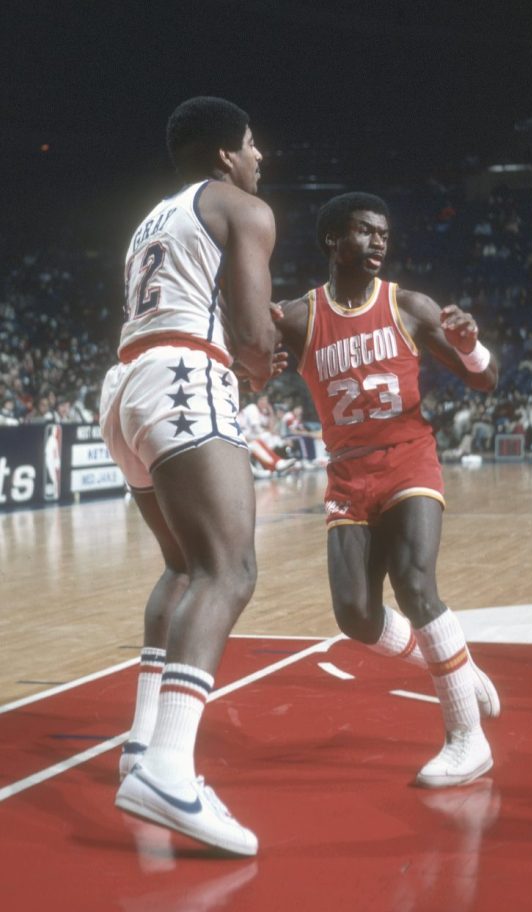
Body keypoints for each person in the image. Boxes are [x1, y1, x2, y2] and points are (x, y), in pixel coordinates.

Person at [99, 96, 277, 855]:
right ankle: (169, 770)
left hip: (123, 387)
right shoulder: (242, 206)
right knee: (228, 568)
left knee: (180, 568)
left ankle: (142, 741)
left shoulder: (151, 219)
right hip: (183, 372)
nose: (260, 154)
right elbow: (253, 331)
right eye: (250, 142)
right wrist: (269, 365)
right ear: (224, 156)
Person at [275, 193, 500, 788]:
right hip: (347, 472)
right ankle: (454, 664)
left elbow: (486, 380)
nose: (379, 241)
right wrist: (254, 362)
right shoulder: (299, 318)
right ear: (332, 240)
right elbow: (254, 353)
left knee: (415, 581)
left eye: (383, 233)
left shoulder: (410, 306)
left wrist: (471, 341)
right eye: (365, 231)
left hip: (408, 461)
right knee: (354, 614)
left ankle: (466, 738)